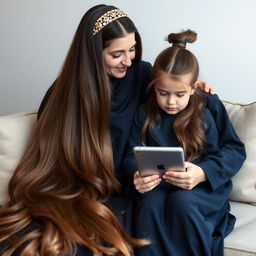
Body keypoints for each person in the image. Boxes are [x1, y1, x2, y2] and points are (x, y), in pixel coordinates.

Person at [0, 4, 238, 256]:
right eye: (117, 54)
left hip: (129, 188)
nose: (128, 60)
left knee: (148, 214)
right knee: (44, 236)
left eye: (132, 49)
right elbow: (53, 156)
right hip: (87, 188)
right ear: (93, 53)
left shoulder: (141, 74)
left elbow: (173, 83)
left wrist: (197, 90)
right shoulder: (63, 94)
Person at [122, 29, 246, 256]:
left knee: (183, 203)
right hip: (159, 187)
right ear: (154, 88)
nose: (170, 102)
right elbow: (130, 156)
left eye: (179, 94)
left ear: (193, 87)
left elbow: (233, 151)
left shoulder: (207, 109)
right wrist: (136, 176)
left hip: (201, 189)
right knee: (148, 203)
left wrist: (202, 172)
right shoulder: (144, 113)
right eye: (163, 93)